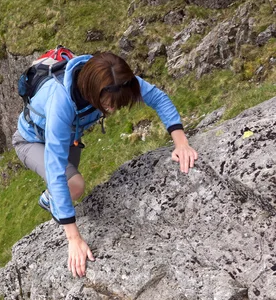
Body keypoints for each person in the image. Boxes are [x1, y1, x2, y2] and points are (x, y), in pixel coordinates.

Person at [12, 51, 198, 278]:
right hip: (31, 141)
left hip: (67, 136)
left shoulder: (117, 80)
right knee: (75, 185)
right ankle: (50, 198)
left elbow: (158, 98)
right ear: (91, 89)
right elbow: (54, 169)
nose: (112, 109)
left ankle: (51, 198)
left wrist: (181, 143)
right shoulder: (61, 101)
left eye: (117, 104)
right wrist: (74, 238)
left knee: (67, 187)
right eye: (107, 103)